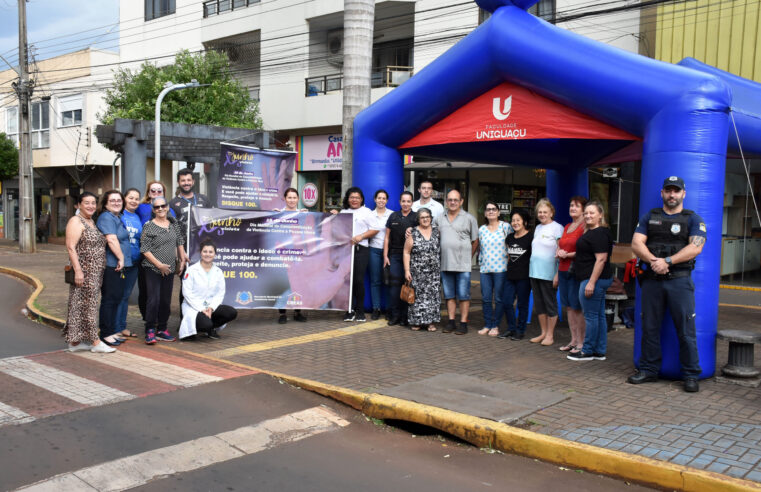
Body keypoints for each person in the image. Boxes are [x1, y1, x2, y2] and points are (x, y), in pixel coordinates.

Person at [627, 176, 706, 393]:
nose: (672, 195)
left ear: (683, 194)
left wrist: (668, 261)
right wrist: (655, 261)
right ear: (662, 193)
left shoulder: (693, 219)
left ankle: (690, 374)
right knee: (649, 327)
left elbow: (695, 248)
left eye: (676, 191)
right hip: (653, 280)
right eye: (668, 191)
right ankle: (648, 370)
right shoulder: (649, 217)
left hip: (679, 281)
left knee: (686, 330)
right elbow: (636, 243)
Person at [63, 192, 115, 354]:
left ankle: (75, 342)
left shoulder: (91, 221)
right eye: (87, 203)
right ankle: (95, 341)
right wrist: (78, 271)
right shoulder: (75, 221)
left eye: (93, 203)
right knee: (89, 306)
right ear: (78, 204)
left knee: (80, 305)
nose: (91, 206)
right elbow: (71, 247)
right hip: (85, 270)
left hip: (95, 272)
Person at [567, 201, 614, 361]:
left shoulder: (599, 233)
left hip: (593, 279)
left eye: (591, 213)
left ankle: (587, 350)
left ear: (600, 215)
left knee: (591, 316)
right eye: (586, 213)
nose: (587, 215)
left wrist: (591, 282)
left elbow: (601, 259)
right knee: (598, 316)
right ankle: (599, 350)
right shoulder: (595, 231)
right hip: (595, 279)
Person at [140, 196, 187, 345]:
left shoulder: (173, 224)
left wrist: (182, 259)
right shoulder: (149, 226)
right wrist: (159, 264)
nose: (160, 209)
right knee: (153, 299)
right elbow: (144, 249)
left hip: (169, 269)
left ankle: (162, 329)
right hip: (153, 268)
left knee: (166, 300)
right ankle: (150, 330)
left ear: (167, 207)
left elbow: (179, 241)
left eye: (162, 206)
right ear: (153, 210)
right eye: (156, 207)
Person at [436, 189, 478, 335]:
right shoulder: (439, 218)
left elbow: (475, 240)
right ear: (446, 201)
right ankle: (451, 321)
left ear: (461, 201)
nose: (452, 202)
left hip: (463, 265)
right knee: (449, 295)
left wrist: (468, 256)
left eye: (455, 200)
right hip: (445, 263)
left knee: (463, 295)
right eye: (450, 200)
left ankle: (463, 323)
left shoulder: (469, 218)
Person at [169, 168, 212, 312]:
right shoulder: (173, 203)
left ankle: (205, 320)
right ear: (178, 182)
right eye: (183, 180)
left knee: (205, 285)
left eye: (188, 180)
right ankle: (185, 321)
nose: (186, 183)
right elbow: (172, 229)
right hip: (185, 251)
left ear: (193, 181)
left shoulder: (203, 199)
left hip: (204, 250)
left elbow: (214, 220)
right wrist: (179, 252)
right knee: (186, 286)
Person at [179, 239, 238, 340]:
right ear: (200, 252)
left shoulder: (218, 271)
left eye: (211, 252)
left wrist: (211, 308)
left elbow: (220, 293)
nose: (208, 254)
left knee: (231, 312)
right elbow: (187, 293)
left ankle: (211, 328)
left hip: (209, 306)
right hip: (193, 306)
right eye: (205, 251)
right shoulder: (192, 270)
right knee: (205, 324)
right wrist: (201, 308)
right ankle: (192, 330)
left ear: (215, 254)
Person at [335, 187, 379, 322]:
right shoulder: (343, 212)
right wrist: (334, 215)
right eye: (352, 197)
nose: (354, 200)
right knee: (347, 280)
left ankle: (360, 310)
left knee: (358, 280)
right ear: (348, 199)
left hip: (361, 250)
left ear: (361, 199)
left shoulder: (367, 212)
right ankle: (349, 310)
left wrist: (361, 236)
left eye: (357, 198)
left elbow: (375, 229)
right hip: (346, 250)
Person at [136, 181, 176, 322]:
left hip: (165, 256)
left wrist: (180, 256)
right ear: (148, 193)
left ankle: (160, 321)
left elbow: (176, 234)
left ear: (164, 193)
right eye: (153, 191)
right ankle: (149, 321)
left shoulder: (170, 211)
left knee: (164, 294)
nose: (156, 193)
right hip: (146, 255)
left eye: (159, 191)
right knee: (147, 291)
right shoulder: (141, 208)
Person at [96, 190, 132, 347]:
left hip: (118, 266)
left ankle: (112, 331)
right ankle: (105, 334)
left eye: (119, 200)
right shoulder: (106, 217)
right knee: (110, 300)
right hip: (111, 265)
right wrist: (121, 258)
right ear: (105, 203)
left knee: (116, 298)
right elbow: (110, 238)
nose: (117, 202)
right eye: (113, 200)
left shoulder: (116, 217)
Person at [528, 198, 564, 346]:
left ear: (551, 213)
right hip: (534, 272)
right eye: (540, 212)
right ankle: (543, 332)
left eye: (545, 212)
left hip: (549, 273)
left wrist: (557, 274)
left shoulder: (557, 228)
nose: (542, 214)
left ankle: (550, 335)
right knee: (539, 304)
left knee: (550, 303)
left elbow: (560, 251)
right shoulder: (537, 228)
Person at [556, 196, 587, 353]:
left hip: (574, 271)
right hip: (562, 270)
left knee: (577, 307)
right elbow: (561, 245)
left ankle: (581, 342)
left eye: (576, 206)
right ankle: (573, 340)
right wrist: (559, 251)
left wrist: (567, 255)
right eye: (571, 205)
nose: (572, 208)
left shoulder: (584, 227)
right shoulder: (567, 226)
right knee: (568, 307)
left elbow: (584, 251)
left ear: (583, 209)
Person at [476, 201, 511, 336]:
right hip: (485, 269)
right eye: (488, 209)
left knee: (498, 299)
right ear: (485, 213)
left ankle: (495, 325)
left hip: (501, 269)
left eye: (493, 209)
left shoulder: (506, 227)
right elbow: (480, 248)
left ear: (498, 212)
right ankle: (487, 324)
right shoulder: (482, 229)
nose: (491, 211)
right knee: (485, 298)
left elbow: (513, 243)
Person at [404, 208, 441, 331]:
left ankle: (430, 322)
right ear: (418, 220)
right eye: (422, 217)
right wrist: (407, 270)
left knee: (432, 296)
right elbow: (406, 252)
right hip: (417, 272)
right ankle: (417, 322)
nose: (425, 219)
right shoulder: (413, 233)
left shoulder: (437, 231)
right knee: (418, 297)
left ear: (431, 218)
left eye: (427, 217)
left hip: (434, 272)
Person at [384, 191, 418, 327]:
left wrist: (413, 230)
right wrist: (385, 256)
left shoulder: (416, 217)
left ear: (412, 203)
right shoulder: (393, 216)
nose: (405, 204)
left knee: (409, 286)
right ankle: (395, 315)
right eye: (403, 201)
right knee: (394, 287)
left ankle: (406, 317)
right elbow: (387, 237)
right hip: (395, 256)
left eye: (408, 201)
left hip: (412, 256)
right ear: (399, 202)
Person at [275, 187, 308, 324]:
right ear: (284, 198)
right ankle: (282, 314)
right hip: (282, 254)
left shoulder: (303, 214)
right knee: (283, 282)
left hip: (298, 253)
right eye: (289, 197)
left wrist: (334, 213)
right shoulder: (278, 214)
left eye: (294, 198)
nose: (292, 200)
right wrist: (273, 215)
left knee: (298, 283)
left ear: (298, 199)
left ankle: (297, 312)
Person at [501, 210, 533, 340]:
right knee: (507, 302)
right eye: (513, 220)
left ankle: (520, 330)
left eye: (518, 220)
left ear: (524, 221)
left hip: (524, 277)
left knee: (522, 304)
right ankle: (511, 328)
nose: (515, 223)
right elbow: (509, 256)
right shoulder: (509, 237)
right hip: (510, 276)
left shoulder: (531, 237)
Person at [115, 188, 142, 339]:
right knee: (117, 295)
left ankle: (122, 326)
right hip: (121, 262)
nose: (133, 201)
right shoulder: (119, 215)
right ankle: (114, 327)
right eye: (131, 198)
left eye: (137, 198)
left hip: (134, 262)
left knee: (125, 296)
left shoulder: (137, 217)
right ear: (124, 199)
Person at [369, 189, 394, 320]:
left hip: (388, 252)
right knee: (375, 281)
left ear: (387, 200)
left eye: (384, 198)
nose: (381, 200)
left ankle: (389, 309)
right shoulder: (370, 214)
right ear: (375, 199)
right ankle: (376, 308)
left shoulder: (392, 215)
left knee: (389, 281)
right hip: (373, 250)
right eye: (379, 198)